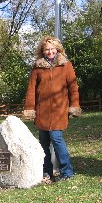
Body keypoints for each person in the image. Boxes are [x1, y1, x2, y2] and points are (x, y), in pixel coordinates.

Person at [23, 35, 82, 182]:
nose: (50, 52)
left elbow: (73, 87)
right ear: (42, 51)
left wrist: (74, 106)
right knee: (43, 142)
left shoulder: (66, 65)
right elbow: (31, 89)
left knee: (56, 139)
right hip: (42, 112)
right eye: (47, 50)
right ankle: (46, 172)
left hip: (59, 110)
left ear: (57, 49)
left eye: (52, 49)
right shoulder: (37, 67)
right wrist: (30, 108)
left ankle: (67, 172)